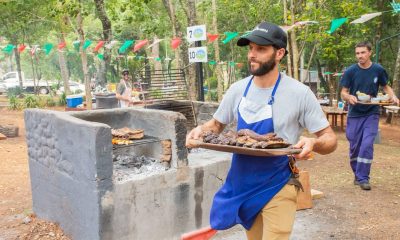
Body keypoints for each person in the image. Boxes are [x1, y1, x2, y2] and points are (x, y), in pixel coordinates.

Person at [186, 22, 337, 240]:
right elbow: (216, 125)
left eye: (261, 49)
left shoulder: (299, 93)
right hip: (243, 183)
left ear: (280, 53)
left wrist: (314, 143)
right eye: (251, 49)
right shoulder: (238, 89)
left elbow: (330, 139)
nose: (252, 55)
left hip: (279, 183)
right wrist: (201, 130)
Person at [340, 41, 399, 191]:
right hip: (354, 114)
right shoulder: (351, 71)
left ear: (369, 52)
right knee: (354, 147)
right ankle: (357, 174)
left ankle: (363, 178)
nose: (360, 56)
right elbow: (343, 92)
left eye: (363, 52)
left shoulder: (378, 69)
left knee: (367, 145)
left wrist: (393, 96)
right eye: (357, 53)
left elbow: (385, 86)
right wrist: (348, 97)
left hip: (371, 113)